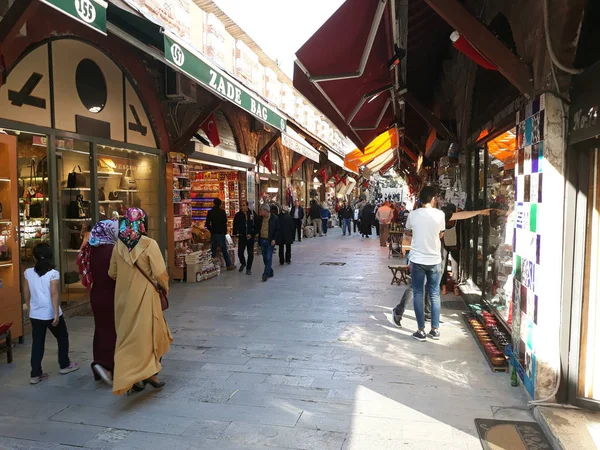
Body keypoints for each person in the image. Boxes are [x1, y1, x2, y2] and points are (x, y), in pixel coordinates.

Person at [109, 208, 173, 395]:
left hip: (122, 299)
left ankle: (132, 377)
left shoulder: (118, 246)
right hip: (146, 297)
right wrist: (164, 288)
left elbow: (112, 273)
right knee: (150, 334)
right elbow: (160, 273)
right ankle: (149, 373)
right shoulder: (149, 244)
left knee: (127, 338)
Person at [24, 243, 79, 384]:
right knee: (62, 337)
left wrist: (29, 307)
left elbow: (26, 292)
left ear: (35, 257)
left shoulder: (28, 272)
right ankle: (64, 365)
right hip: (50, 313)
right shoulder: (53, 273)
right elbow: (54, 294)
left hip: (36, 314)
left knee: (37, 343)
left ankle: (35, 374)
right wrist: (55, 314)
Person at [77, 219, 118, 385]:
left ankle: (100, 362)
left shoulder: (90, 249)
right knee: (113, 329)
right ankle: (107, 365)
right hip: (112, 294)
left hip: (97, 295)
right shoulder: (112, 250)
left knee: (101, 329)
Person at [405, 186, 446, 342]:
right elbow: (441, 233)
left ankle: (420, 330)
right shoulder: (440, 214)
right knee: (435, 294)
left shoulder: (413, 215)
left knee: (418, 293)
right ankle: (435, 330)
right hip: (434, 259)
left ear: (420, 199)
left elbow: (409, 230)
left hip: (417, 259)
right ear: (433, 199)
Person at [206, 198, 236, 271]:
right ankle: (228, 265)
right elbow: (224, 223)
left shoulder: (210, 212)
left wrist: (211, 230)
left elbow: (207, 224)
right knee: (224, 250)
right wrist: (225, 232)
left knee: (213, 250)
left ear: (214, 203)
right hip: (221, 233)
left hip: (214, 234)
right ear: (220, 204)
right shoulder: (222, 212)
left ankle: (212, 266)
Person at [255, 203, 280, 281]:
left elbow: (277, 230)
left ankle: (265, 274)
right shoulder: (260, 219)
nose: (260, 212)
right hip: (262, 240)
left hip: (270, 241)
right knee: (265, 258)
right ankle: (270, 271)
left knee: (269, 257)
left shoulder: (274, 218)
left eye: (261, 210)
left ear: (266, 211)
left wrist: (274, 239)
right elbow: (257, 228)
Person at [233, 201, 256, 276]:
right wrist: (235, 235)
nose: (242, 207)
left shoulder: (252, 214)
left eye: (244, 205)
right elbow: (235, 226)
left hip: (250, 237)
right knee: (240, 252)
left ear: (247, 206)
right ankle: (243, 263)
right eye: (241, 205)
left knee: (250, 254)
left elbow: (256, 225)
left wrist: (252, 234)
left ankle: (248, 268)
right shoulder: (238, 215)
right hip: (242, 236)